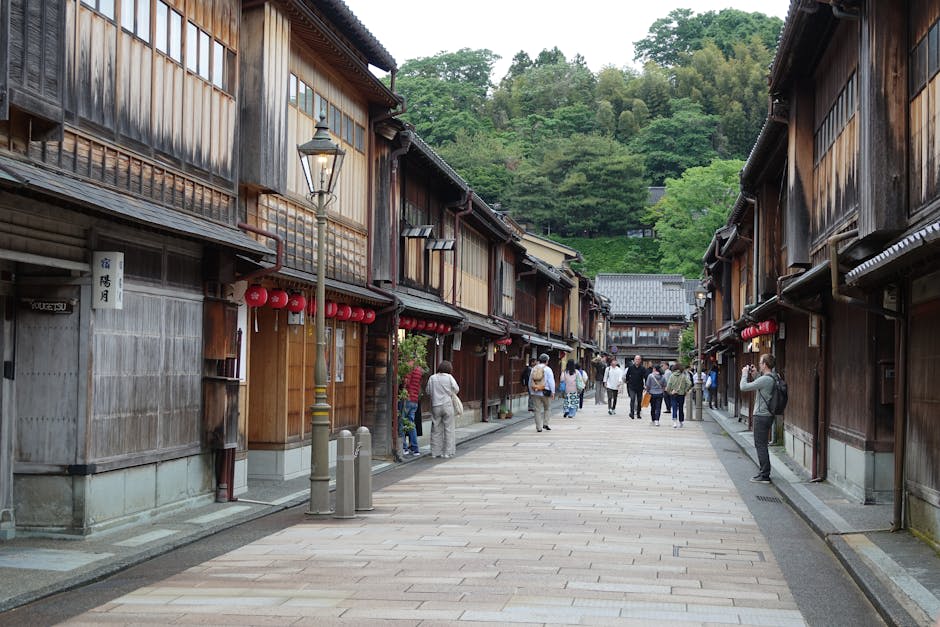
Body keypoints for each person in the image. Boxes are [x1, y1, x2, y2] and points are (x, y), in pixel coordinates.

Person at [739, 354, 777, 483]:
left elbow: (744, 387)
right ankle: (764, 472)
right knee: (762, 444)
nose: (759, 365)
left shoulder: (766, 379)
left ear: (765, 364)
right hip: (768, 415)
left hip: (761, 415)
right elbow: (762, 386)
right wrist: (755, 375)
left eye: (761, 363)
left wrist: (744, 374)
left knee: (760, 445)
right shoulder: (773, 377)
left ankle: (764, 474)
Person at [426, 361, 459, 458]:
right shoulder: (449, 377)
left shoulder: (432, 378)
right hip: (447, 404)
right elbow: (456, 389)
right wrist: (450, 392)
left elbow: (428, 391)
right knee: (449, 429)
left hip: (436, 405)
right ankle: (447, 452)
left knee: (435, 429)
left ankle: (435, 452)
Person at [399, 362, 423, 457]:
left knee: (401, 423)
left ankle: (404, 447)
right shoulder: (418, 369)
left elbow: (406, 382)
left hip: (407, 398)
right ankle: (415, 448)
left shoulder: (408, 366)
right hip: (415, 399)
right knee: (411, 424)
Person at [527, 353, 555, 432]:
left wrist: (531, 391)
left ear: (539, 360)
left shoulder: (534, 369)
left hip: (535, 392)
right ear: (547, 361)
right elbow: (551, 382)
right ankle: (545, 423)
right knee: (547, 408)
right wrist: (553, 392)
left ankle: (538, 428)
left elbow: (530, 381)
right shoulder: (548, 369)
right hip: (546, 392)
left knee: (537, 410)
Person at [665, 363, 692, 428]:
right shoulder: (683, 376)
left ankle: (674, 422)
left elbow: (669, 385)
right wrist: (685, 390)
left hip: (673, 393)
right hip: (681, 394)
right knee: (680, 408)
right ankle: (681, 421)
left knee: (674, 407)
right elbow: (689, 383)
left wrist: (669, 391)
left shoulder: (672, 376)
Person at [624, 355, 647, 420]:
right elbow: (627, 375)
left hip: (640, 386)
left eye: (638, 359)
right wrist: (628, 382)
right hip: (632, 386)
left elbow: (645, 377)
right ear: (634, 360)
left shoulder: (642, 368)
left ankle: (638, 413)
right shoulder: (631, 367)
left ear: (640, 360)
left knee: (639, 400)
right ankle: (631, 412)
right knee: (632, 398)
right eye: (636, 359)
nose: (637, 360)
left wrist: (646, 385)